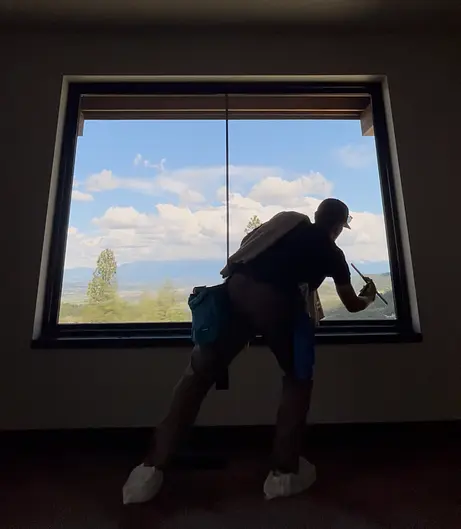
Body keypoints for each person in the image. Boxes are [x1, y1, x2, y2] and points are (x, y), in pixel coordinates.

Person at [122, 198, 377, 504]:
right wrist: (369, 298)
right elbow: (351, 304)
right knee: (297, 381)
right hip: (279, 305)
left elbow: (248, 244)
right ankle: (283, 474)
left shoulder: (287, 223)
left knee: (198, 375)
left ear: (315, 215)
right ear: (338, 227)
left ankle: (149, 470)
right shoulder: (333, 253)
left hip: (236, 291)